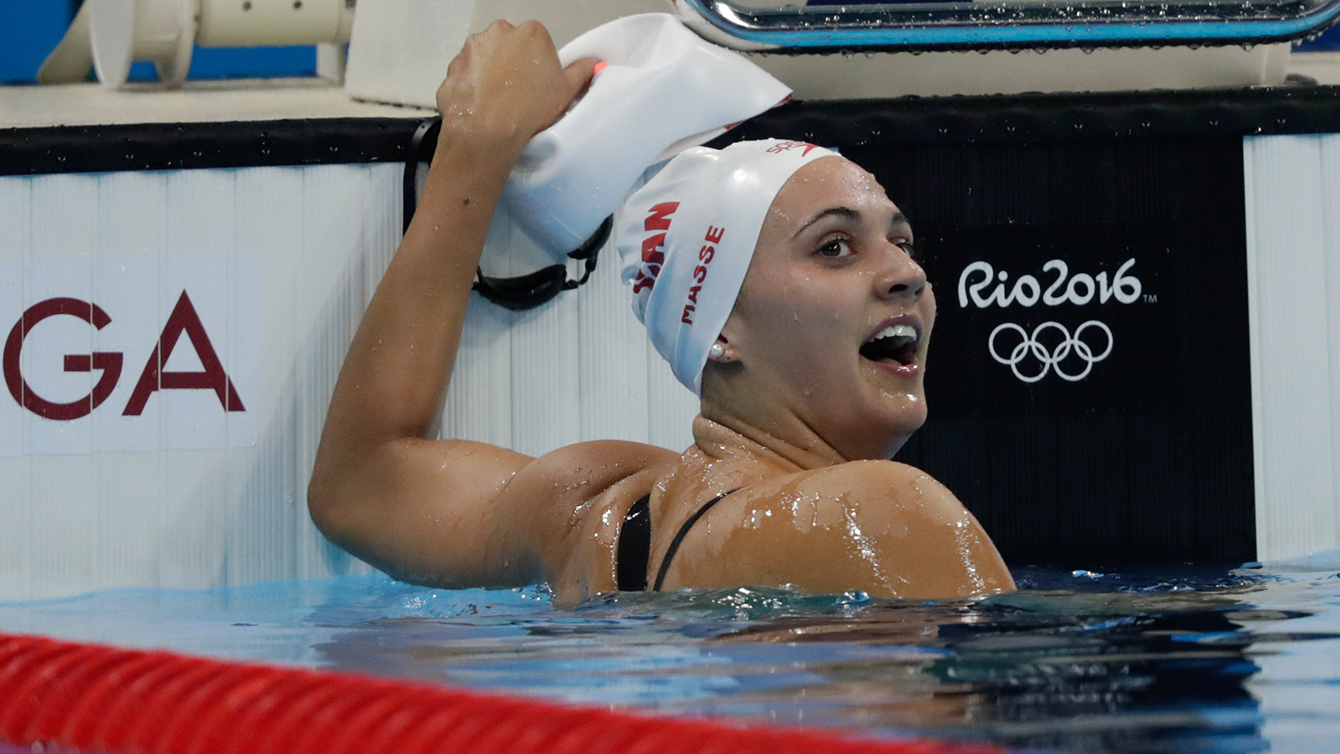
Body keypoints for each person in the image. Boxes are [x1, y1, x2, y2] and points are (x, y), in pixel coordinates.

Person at [308, 19, 1014, 606]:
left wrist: (474, 147)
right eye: (835, 247)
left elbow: (361, 483)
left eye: (902, 242)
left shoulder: (597, 518)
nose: (908, 276)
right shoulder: (885, 512)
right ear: (721, 332)